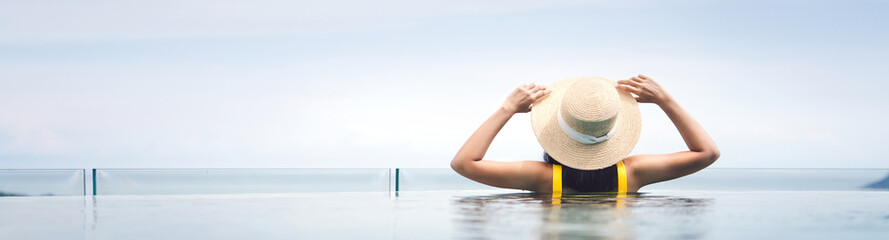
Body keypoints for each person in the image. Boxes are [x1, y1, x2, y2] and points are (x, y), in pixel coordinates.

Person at [451, 75, 719, 193]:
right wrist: (666, 100)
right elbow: (707, 152)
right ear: (613, 131)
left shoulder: (541, 178)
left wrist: (507, 109)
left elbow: (463, 163)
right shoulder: (634, 173)